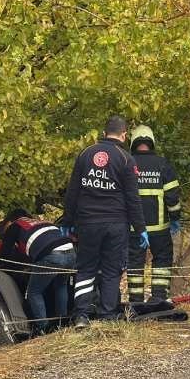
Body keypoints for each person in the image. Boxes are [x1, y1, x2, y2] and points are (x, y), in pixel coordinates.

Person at [60, 115, 147, 329]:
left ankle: (81, 315)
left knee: (85, 269)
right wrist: (141, 228)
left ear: (104, 132)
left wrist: (67, 219)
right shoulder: (126, 159)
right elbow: (132, 198)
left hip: (88, 223)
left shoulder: (85, 154)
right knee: (111, 270)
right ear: (124, 135)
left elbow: (73, 191)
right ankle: (108, 315)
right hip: (116, 224)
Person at [0, 210, 75, 335]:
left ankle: (42, 327)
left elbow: (5, 253)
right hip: (70, 252)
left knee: (34, 292)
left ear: (10, 221)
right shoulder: (41, 222)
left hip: (52, 256)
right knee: (61, 285)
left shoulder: (15, 225)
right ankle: (62, 321)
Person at [126, 125, 181, 303]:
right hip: (160, 229)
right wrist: (175, 219)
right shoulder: (162, 164)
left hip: (134, 228)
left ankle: (135, 301)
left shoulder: (127, 162)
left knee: (135, 264)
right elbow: (172, 196)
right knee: (162, 261)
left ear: (133, 142)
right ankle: (158, 298)